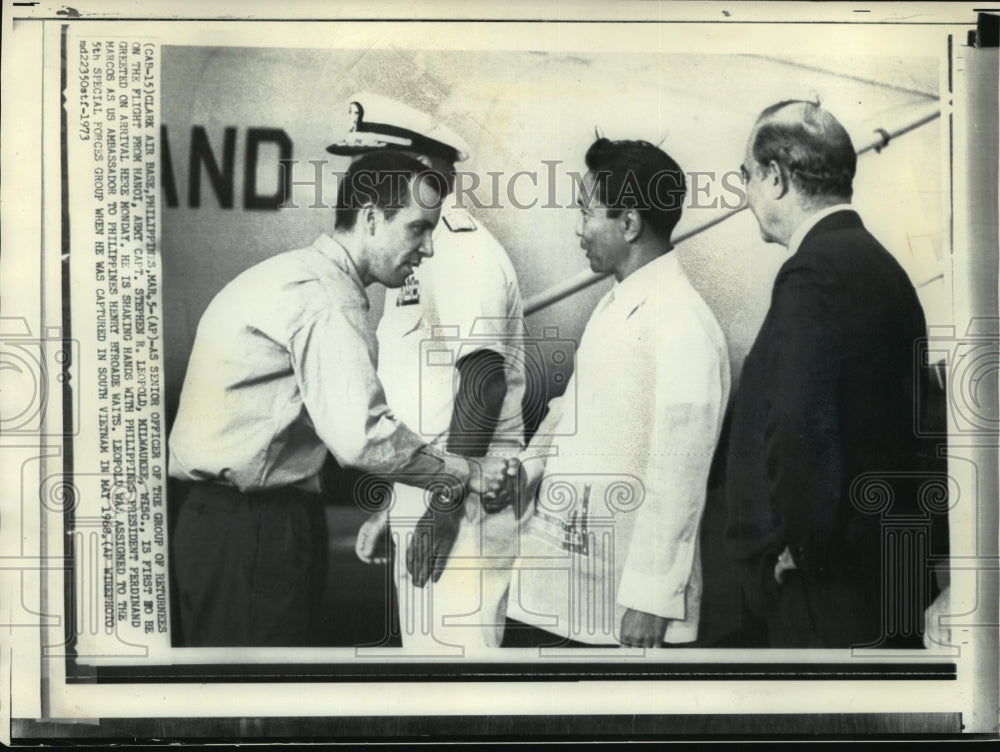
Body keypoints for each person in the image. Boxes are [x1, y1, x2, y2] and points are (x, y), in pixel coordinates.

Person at [168, 150, 512, 647]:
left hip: (221, 522)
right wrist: (468, 472)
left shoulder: (293, 274)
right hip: (256, 527)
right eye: (417, 229)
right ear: (371, 218)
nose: (429, 249)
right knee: (260, 707)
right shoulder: (328, 298)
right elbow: (360, 438)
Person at [724, 100, 948, 649]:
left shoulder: (812, 271)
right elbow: (926, 428)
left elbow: (800, 426)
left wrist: (802, 553)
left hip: (826, 596)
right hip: (886, 578)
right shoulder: (884, 267)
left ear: (775, 178)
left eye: (746, 177)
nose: (747, 194)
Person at [503, 138, 731, 648]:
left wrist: (652, 599)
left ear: (629, 224)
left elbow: (681, 468)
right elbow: (572, 410)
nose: (578, 228)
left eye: (587, 213)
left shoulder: (681, 320)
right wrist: (528, 468)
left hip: (626, 604)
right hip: (566, 581)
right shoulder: (616, 303)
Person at [327, 92, 527, 651]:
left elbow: (481, 381)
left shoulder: (462, 251)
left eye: (383, 163)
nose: (367, 178)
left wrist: (439, 508)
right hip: (435, 492)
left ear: (422, 167)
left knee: (465, 679)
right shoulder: (415, 251)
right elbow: (424, 398)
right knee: (430, 667)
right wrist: (396, 507)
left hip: (465, 503)